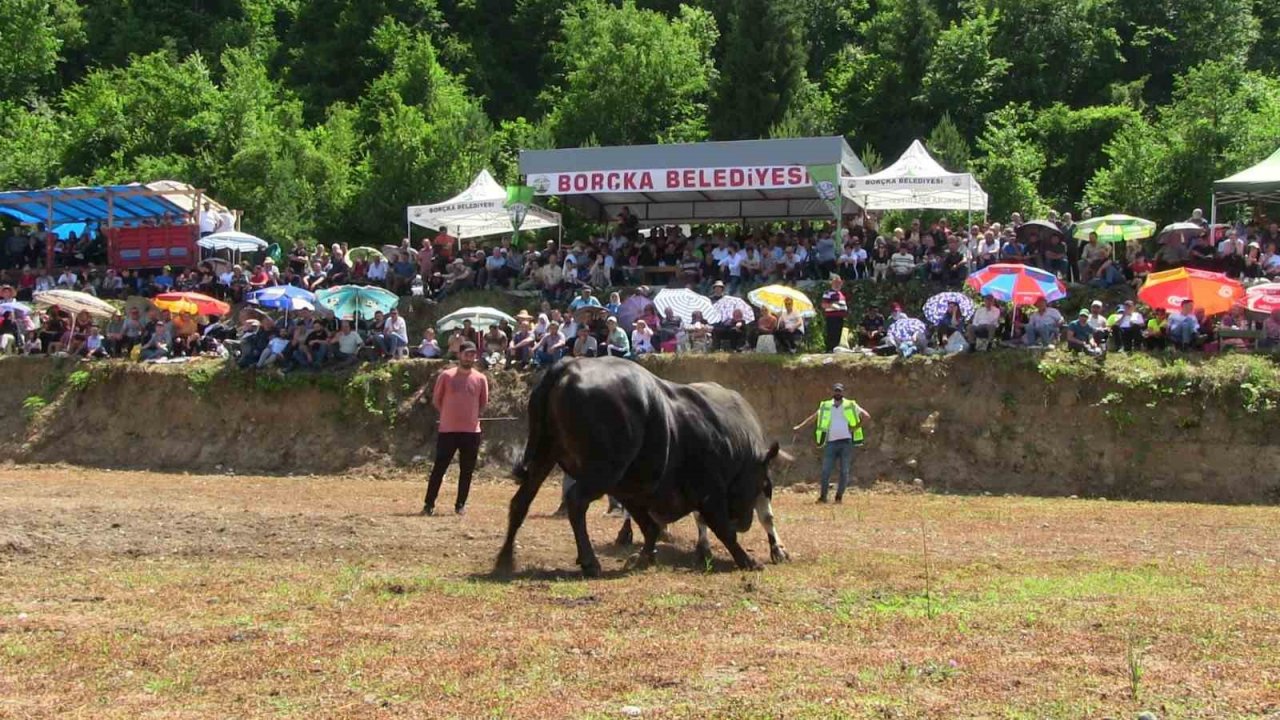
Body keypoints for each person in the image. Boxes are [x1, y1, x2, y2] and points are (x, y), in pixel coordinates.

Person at [422, 342, 488, 516]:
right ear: (459, 355)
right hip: (448, 430)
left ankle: (460, 505)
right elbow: (437, 400)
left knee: (467, 470)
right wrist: (449, 415)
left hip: (471, 432)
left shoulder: (481, 378)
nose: (469, 357)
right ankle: (429, 504)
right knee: (439, 468)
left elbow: (482, 402)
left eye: (473, 354)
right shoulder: (446, 376)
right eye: (466, 354)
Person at [792, 383, 871, 504]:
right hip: (831, 443)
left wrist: (855, 428)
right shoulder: (826, 406)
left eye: (839, 391)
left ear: (843, 392)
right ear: (832, 392)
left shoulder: (850, 405)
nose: (837, 393)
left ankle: (838, 497)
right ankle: (823, 497)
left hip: (846, 443)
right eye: (836, 391)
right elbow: (814, 417)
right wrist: (800, 427)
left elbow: (866, 416)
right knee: (825, 471)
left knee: (844, 471)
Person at [821, 275, 849, 352]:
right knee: (831, 333)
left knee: (838, 334)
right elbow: (824, 304)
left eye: (839, 283)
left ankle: (835, 349)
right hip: (832, 317)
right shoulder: (828, 293)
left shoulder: (841, 293)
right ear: (832, 283)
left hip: (840, 317)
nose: (838, 284)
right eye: (836, 283)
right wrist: (832, 305)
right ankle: (829, 349)